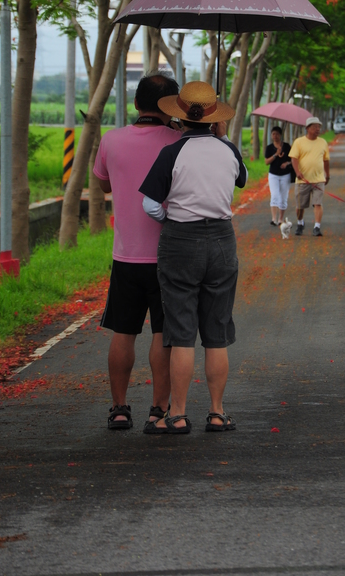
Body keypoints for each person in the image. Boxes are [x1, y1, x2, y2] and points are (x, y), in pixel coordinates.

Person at [140, 81, 247, 435]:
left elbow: (150, 204)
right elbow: (241, 180)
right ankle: (217, 413)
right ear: (214, 117)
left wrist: (172, 221)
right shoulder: (229, 150)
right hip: (221, 241)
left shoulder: (171, 152)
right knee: (216, 330)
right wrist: (222, 137)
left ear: (180, 115)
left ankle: (179, 414)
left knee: (181, 331)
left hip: (180, 242)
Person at [93, 72, 182, 432]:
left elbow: (102, 184)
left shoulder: (111, 140)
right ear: (171, 105)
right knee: (162, 334)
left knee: (123, 331)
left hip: (125, 256)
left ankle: (118, 409)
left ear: (135, 104)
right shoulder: (179, 142)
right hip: (169, 255)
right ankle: (158, 410)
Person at [289, 116, 330, 237]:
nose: (317, 129)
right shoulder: (299, 142)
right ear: (307, 128)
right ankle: (300, 222)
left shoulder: (323, 142)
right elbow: (294, 158)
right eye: (314, 127)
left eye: (319, 127)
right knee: (300, 206)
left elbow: (326, 160)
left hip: (318, 179)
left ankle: (317, 227)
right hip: (303, 180)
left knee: (318, 203)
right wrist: (297, 172)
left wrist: (327, 174)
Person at [264, 126, 293, 225]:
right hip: (273, 175)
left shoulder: (287, 146)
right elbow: (266, 162)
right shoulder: (269, 148)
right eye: (273, 134)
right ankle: (274, 219)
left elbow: (292, 160)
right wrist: (276, 154)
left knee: (284, 197)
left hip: (285, 175)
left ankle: (281, 218)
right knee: (274, 195)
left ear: (280, 135)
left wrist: (287, 163)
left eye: (277, 134)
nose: (275, 136)